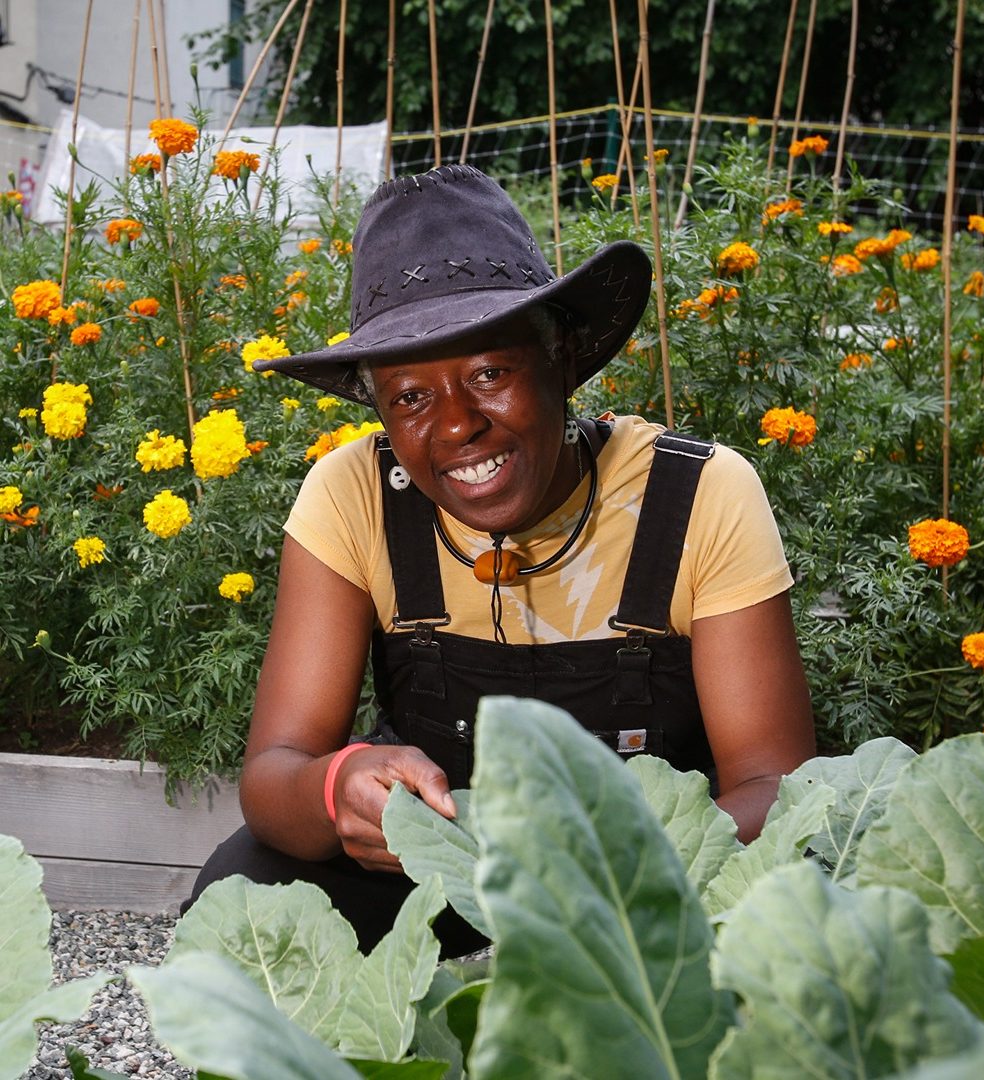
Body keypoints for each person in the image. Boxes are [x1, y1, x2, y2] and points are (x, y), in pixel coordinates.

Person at [188, 164, 815, 954]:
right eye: (410, 396)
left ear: (562, 358)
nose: (456, 426)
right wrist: (335, 787)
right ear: (378, 407)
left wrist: (608, 865)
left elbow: (775, 788)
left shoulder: (695, 496)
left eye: (490, 373)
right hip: (440, 875)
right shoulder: (352, 495)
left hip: (645, 886)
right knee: (247, 898)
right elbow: (273, 771)